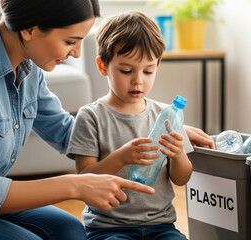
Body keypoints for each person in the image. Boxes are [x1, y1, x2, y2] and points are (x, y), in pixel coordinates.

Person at [0, 1, 160, 239]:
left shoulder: (28, 67)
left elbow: (70, 133)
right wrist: (75, 185)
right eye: (70, 41)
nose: (75, 52)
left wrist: (159, 131)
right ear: (30, 28)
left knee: (70, 231)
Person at [66, 11, 205, 240]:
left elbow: (181, 178)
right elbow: (84, 178)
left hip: (161, 226)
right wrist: (121, 157)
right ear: (103, 67)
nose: (138, 80)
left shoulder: (167, 116)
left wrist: (179, 155)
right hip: (108, 228)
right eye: (126, 70)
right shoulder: (91, 116)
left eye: (148, 71)